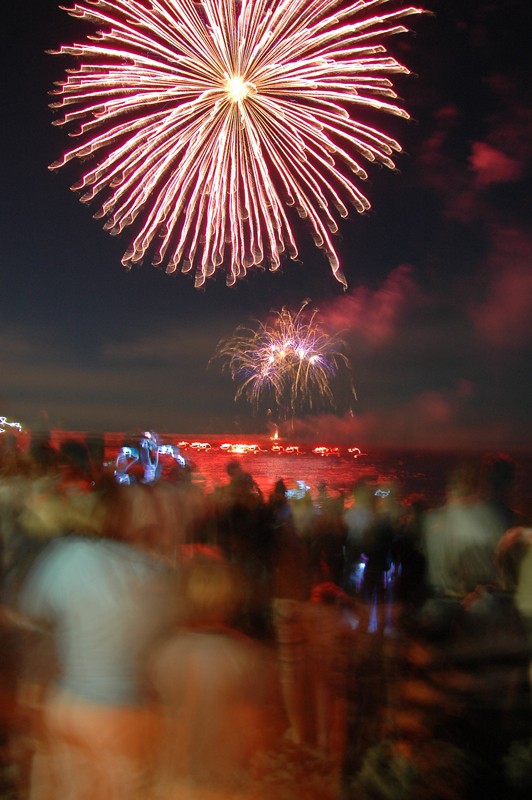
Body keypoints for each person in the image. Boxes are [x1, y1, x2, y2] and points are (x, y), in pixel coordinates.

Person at [18, 483, 172, 800]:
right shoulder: (159, 576)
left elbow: (35, 617)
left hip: (68, 706)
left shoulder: (69, 556)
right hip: (120, 713)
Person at [147, 552, 281, 798]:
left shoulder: (161, 653)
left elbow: (154, 726)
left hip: (173, 783)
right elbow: (254, 733)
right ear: (229, 599)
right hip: (223, 784)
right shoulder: (246, 657)